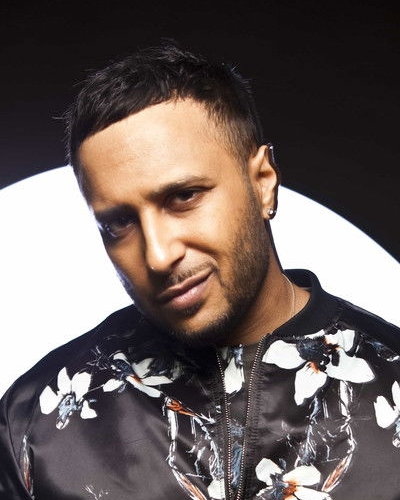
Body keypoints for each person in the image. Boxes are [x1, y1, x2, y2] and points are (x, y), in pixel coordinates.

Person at [0, 43, 399, 500]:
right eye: (119, 223)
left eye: (184, 197)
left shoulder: (391, 384)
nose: (158, 256)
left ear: (263, 182)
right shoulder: (34, 425)